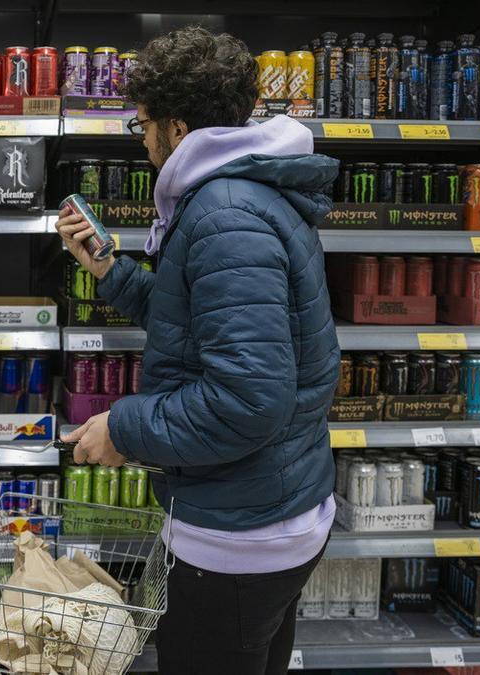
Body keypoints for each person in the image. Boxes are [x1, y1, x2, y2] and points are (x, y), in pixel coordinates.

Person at [56, 27, 341, 675]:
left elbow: (246, 399)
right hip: (263, 508)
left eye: (144, 124)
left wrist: (123, 427)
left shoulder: (225, 215)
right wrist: (112, 272)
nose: (144, 138)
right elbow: (201, 324)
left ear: (177, 127)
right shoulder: (235, 196)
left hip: (242, 536)